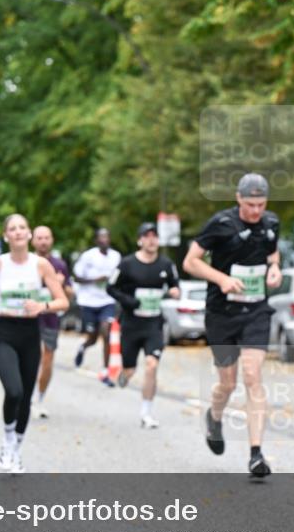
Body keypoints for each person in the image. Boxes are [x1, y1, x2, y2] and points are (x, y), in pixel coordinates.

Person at [183, 172, 282, 478]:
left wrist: (275, 269)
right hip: (222, 313)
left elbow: (273, 253)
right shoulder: (221, 224)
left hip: (256, 311)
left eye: (261, 204)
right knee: (228, 382)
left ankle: (256, 454)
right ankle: (214, 417)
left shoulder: (271, 223)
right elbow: (190, 261)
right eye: (250, 204)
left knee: (253, 376)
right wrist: (222, 279)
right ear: (238, 198)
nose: (256, 211)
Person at [0, 214, 68, 474]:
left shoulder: (41, 265)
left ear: (28, 234)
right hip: (4, 332)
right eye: (12, 229)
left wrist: (43, 306)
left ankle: (16, 450)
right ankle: (7, 440)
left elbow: (63, 301)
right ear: (6, 236)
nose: (17, 232)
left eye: (22, 228)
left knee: (26, 397)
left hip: (30, 333)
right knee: (13, 391)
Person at [106, 222, 181, 428]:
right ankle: (125, 374)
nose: (151, 240)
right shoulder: (127, 264)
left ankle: (146, 412)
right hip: (131, 324)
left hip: (153, 324)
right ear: (140, 240)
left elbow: (175, 285)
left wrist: (175, 291)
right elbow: (110, 288)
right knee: (130, 369)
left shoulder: (166, 264)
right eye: (147, 236)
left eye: (154, 236)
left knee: (152, 365)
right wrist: (128, 301)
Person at [30, 226, 75, 418]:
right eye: (39, 238)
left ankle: (39, 399)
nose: (43, 241)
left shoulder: (60, 264)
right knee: (32, 358)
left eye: (46, 238)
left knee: (47, 359)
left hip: (50, 318)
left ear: (52, 240)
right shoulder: (27, 262)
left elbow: (70, 295)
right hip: (28, 318)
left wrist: (61, 284)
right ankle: (26, 396)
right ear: (33, 240)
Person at [72, 228, 121, 385]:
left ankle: (106, 371)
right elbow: (77, 277)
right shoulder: (88, 256)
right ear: (96, 240)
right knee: (92, 337)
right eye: (101, 237)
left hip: (107, 300)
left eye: (107, 237)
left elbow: (120, 276)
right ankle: (83, 347)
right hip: (89, 301)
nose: (104, 240)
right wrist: (95, 279)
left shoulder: (116, 256)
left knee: (106, 332)